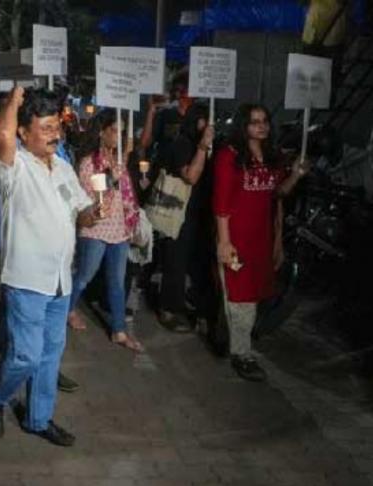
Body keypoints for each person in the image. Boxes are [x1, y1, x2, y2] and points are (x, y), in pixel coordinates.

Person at [0, 87, 98, 446]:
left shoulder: (62, 166)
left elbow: (83, 217)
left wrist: (97, 210)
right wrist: (15, 99)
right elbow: (1, 133)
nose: (55, 135)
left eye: (55, 127)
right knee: (26, 356)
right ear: (24, 132)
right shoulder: (13, 168)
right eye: (45, 128)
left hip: (61, 281)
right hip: (27, 280)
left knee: (50, 356)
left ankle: (38, 418)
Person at [213, 104, 306, 382]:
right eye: (254, 122)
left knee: (251, 295)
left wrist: (296, 175)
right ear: (243, 125)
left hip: (260, 239)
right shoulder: (229, 156)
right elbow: (221, 204)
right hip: (236, 239)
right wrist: (224, 242)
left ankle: (225, 338)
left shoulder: (271, 156)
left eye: (264, 121)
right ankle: (242, 354)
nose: (261, 126)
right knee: (241, 298)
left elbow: (277, 193)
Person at [70, 109, 144, 352]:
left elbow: (125, 196)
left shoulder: (118, 160)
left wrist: (131, 221)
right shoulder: (90, 162)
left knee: (117, 281)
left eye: (122, 131)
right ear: (101, 132)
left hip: (119, 230)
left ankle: (119, 330)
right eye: (114, 131)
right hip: (96, 229)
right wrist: (114, 175)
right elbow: (95, 200)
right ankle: (66, 310)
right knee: (83, 276)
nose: (118, 136)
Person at [157, 103, 216, 332]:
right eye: (203, 120)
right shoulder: (183, 143)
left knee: (198, 262)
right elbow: (191, 176)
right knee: (176, 260)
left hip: (203, 211)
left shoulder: (214, 145)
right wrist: (202, 148)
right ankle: (169, 308)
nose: (207, 125)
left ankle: (195, 305)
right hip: (180, 211)